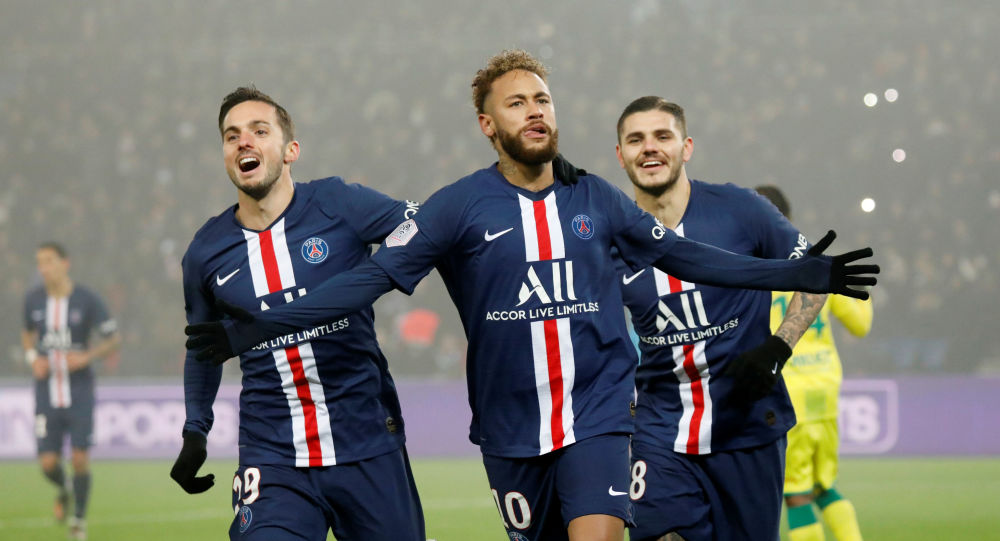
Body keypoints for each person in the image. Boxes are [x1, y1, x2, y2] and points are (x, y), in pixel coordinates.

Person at [185, 51, 878, 541]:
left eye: (543, 99)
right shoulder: (458, 207)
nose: (535, 110)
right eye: (516, 103)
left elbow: (686, 256)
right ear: (488, 125)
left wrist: (798, 274)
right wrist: (257, 331)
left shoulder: (595, 197)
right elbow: (370, 280)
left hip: (599, 417)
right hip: (511, 427)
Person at [170, 86, 424, 541]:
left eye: (259, 131)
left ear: (291, 150)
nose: (243, 142)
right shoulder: (205, 253)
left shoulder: (338, 203)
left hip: (366, 441)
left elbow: (422, 226)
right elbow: (203, 348)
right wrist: (196, 430)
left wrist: (383, 270)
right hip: (272, 455)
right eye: (231, 136)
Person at [613, 96, 829, 541]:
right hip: (659, 430)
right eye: (636, 140)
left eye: (662, 136)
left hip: (747, 428)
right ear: (620, 154)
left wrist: (779, 346)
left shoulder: (741, 209)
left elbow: (815, 277)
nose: (649, 147)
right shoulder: (611, 234)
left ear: (686, 147)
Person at [757, 184, 873, 541]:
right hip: (826, 390)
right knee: (824, 486)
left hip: (788, 394)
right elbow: (860, 325)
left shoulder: (752, 270)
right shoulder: (818, 264)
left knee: (796, 494)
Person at [22, 241, 122, 541]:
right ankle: (64, 488)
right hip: (46, 392)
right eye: (40, 262)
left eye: (49, 261)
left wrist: (87, 356)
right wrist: (33, 358)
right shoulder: (33, 300)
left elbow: (113, 339)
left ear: (65, 263)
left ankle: (78, 520)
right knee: (48, 463)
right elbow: (27, 333)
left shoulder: (86, 299)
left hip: (79, 391)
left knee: (79, 458)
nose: (43, 268)